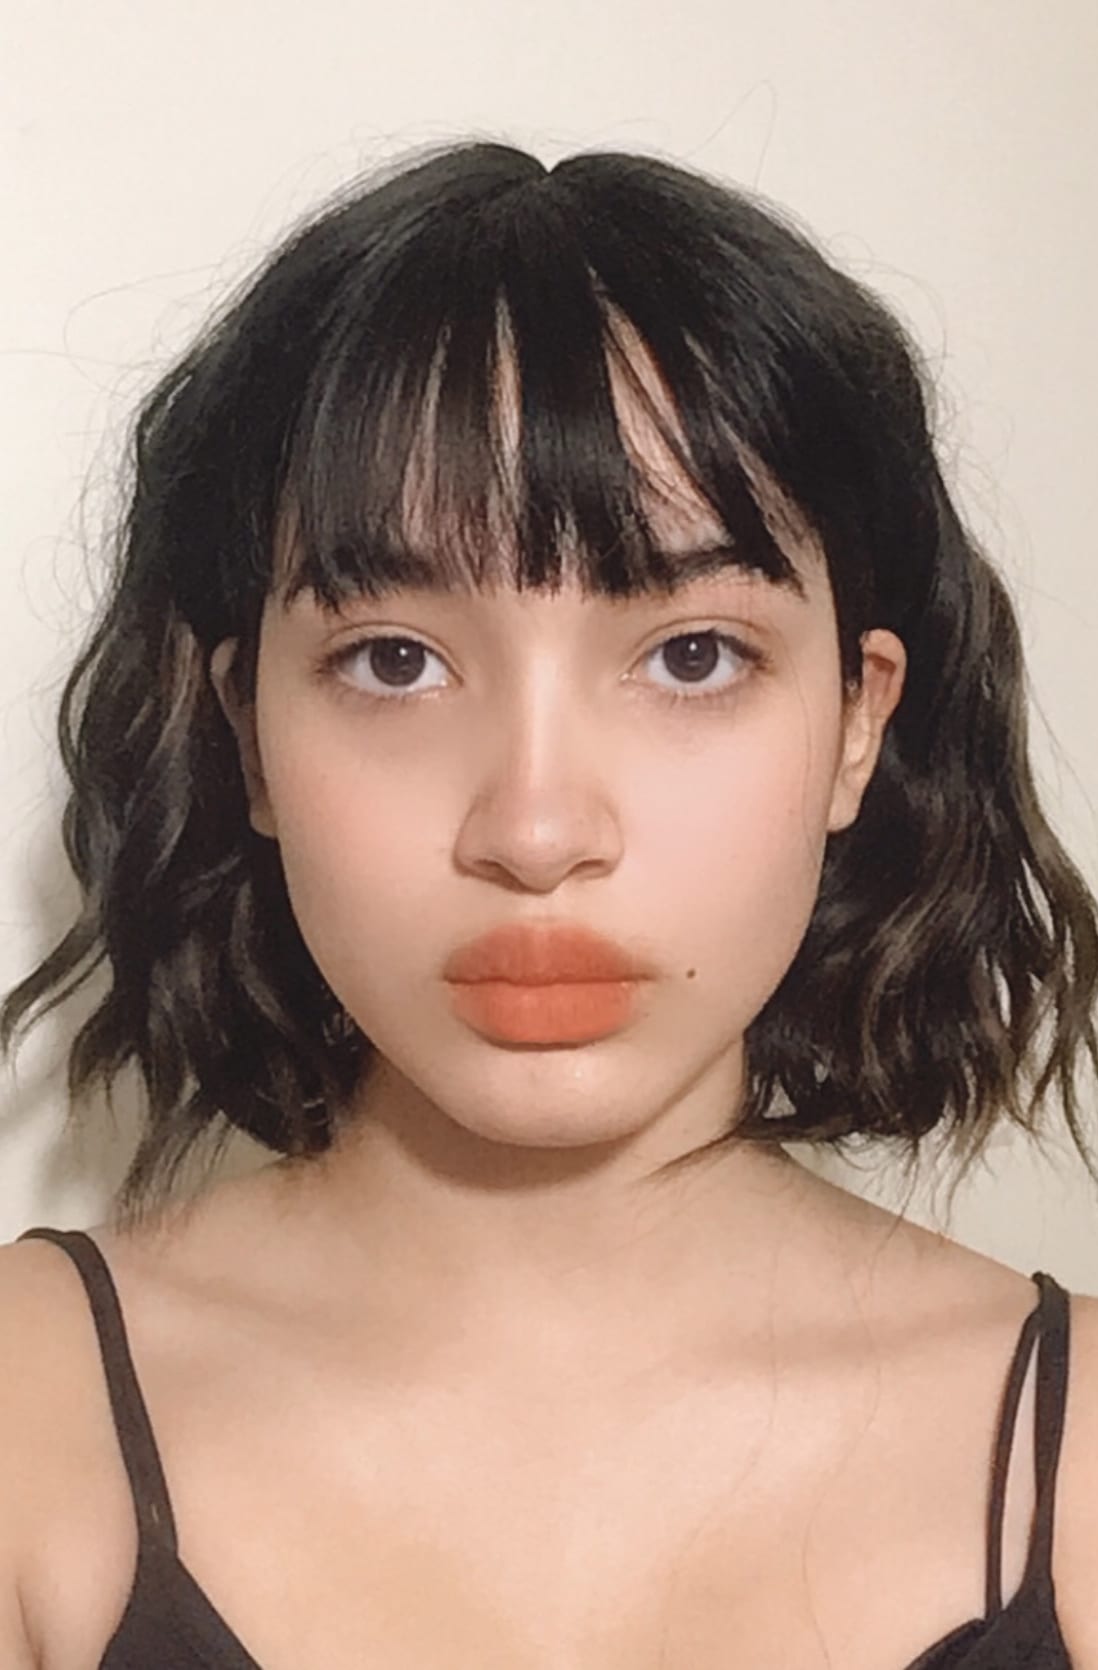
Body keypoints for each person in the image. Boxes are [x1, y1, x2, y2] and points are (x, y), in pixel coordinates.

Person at [1, 138, 1096, 1668]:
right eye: (394, 659)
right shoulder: (26, 1415)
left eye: (691, 655)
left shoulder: (1076, 1461)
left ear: (856, 721)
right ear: (249, 736)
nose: (533, 830)